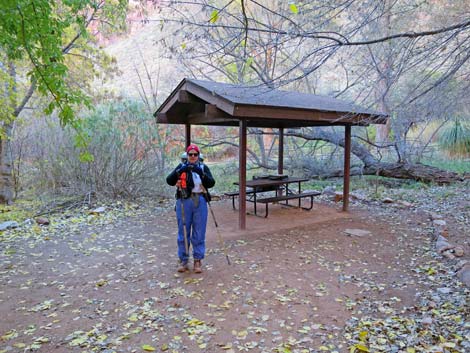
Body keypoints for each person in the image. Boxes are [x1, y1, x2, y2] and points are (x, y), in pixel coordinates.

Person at [166, 144, 215, 273]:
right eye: (190, 154)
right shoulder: (181, 167)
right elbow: (169, 180)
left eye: (195, 154)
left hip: (200, 200)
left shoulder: (203, 167)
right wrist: (180, 171)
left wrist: (201, 174)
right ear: (187, 156)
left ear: (198, 156)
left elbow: (211, 183)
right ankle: (183, 260)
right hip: (183, 201)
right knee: (183, 231)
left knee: (199, 232)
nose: (193, 156)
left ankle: (197, 260)